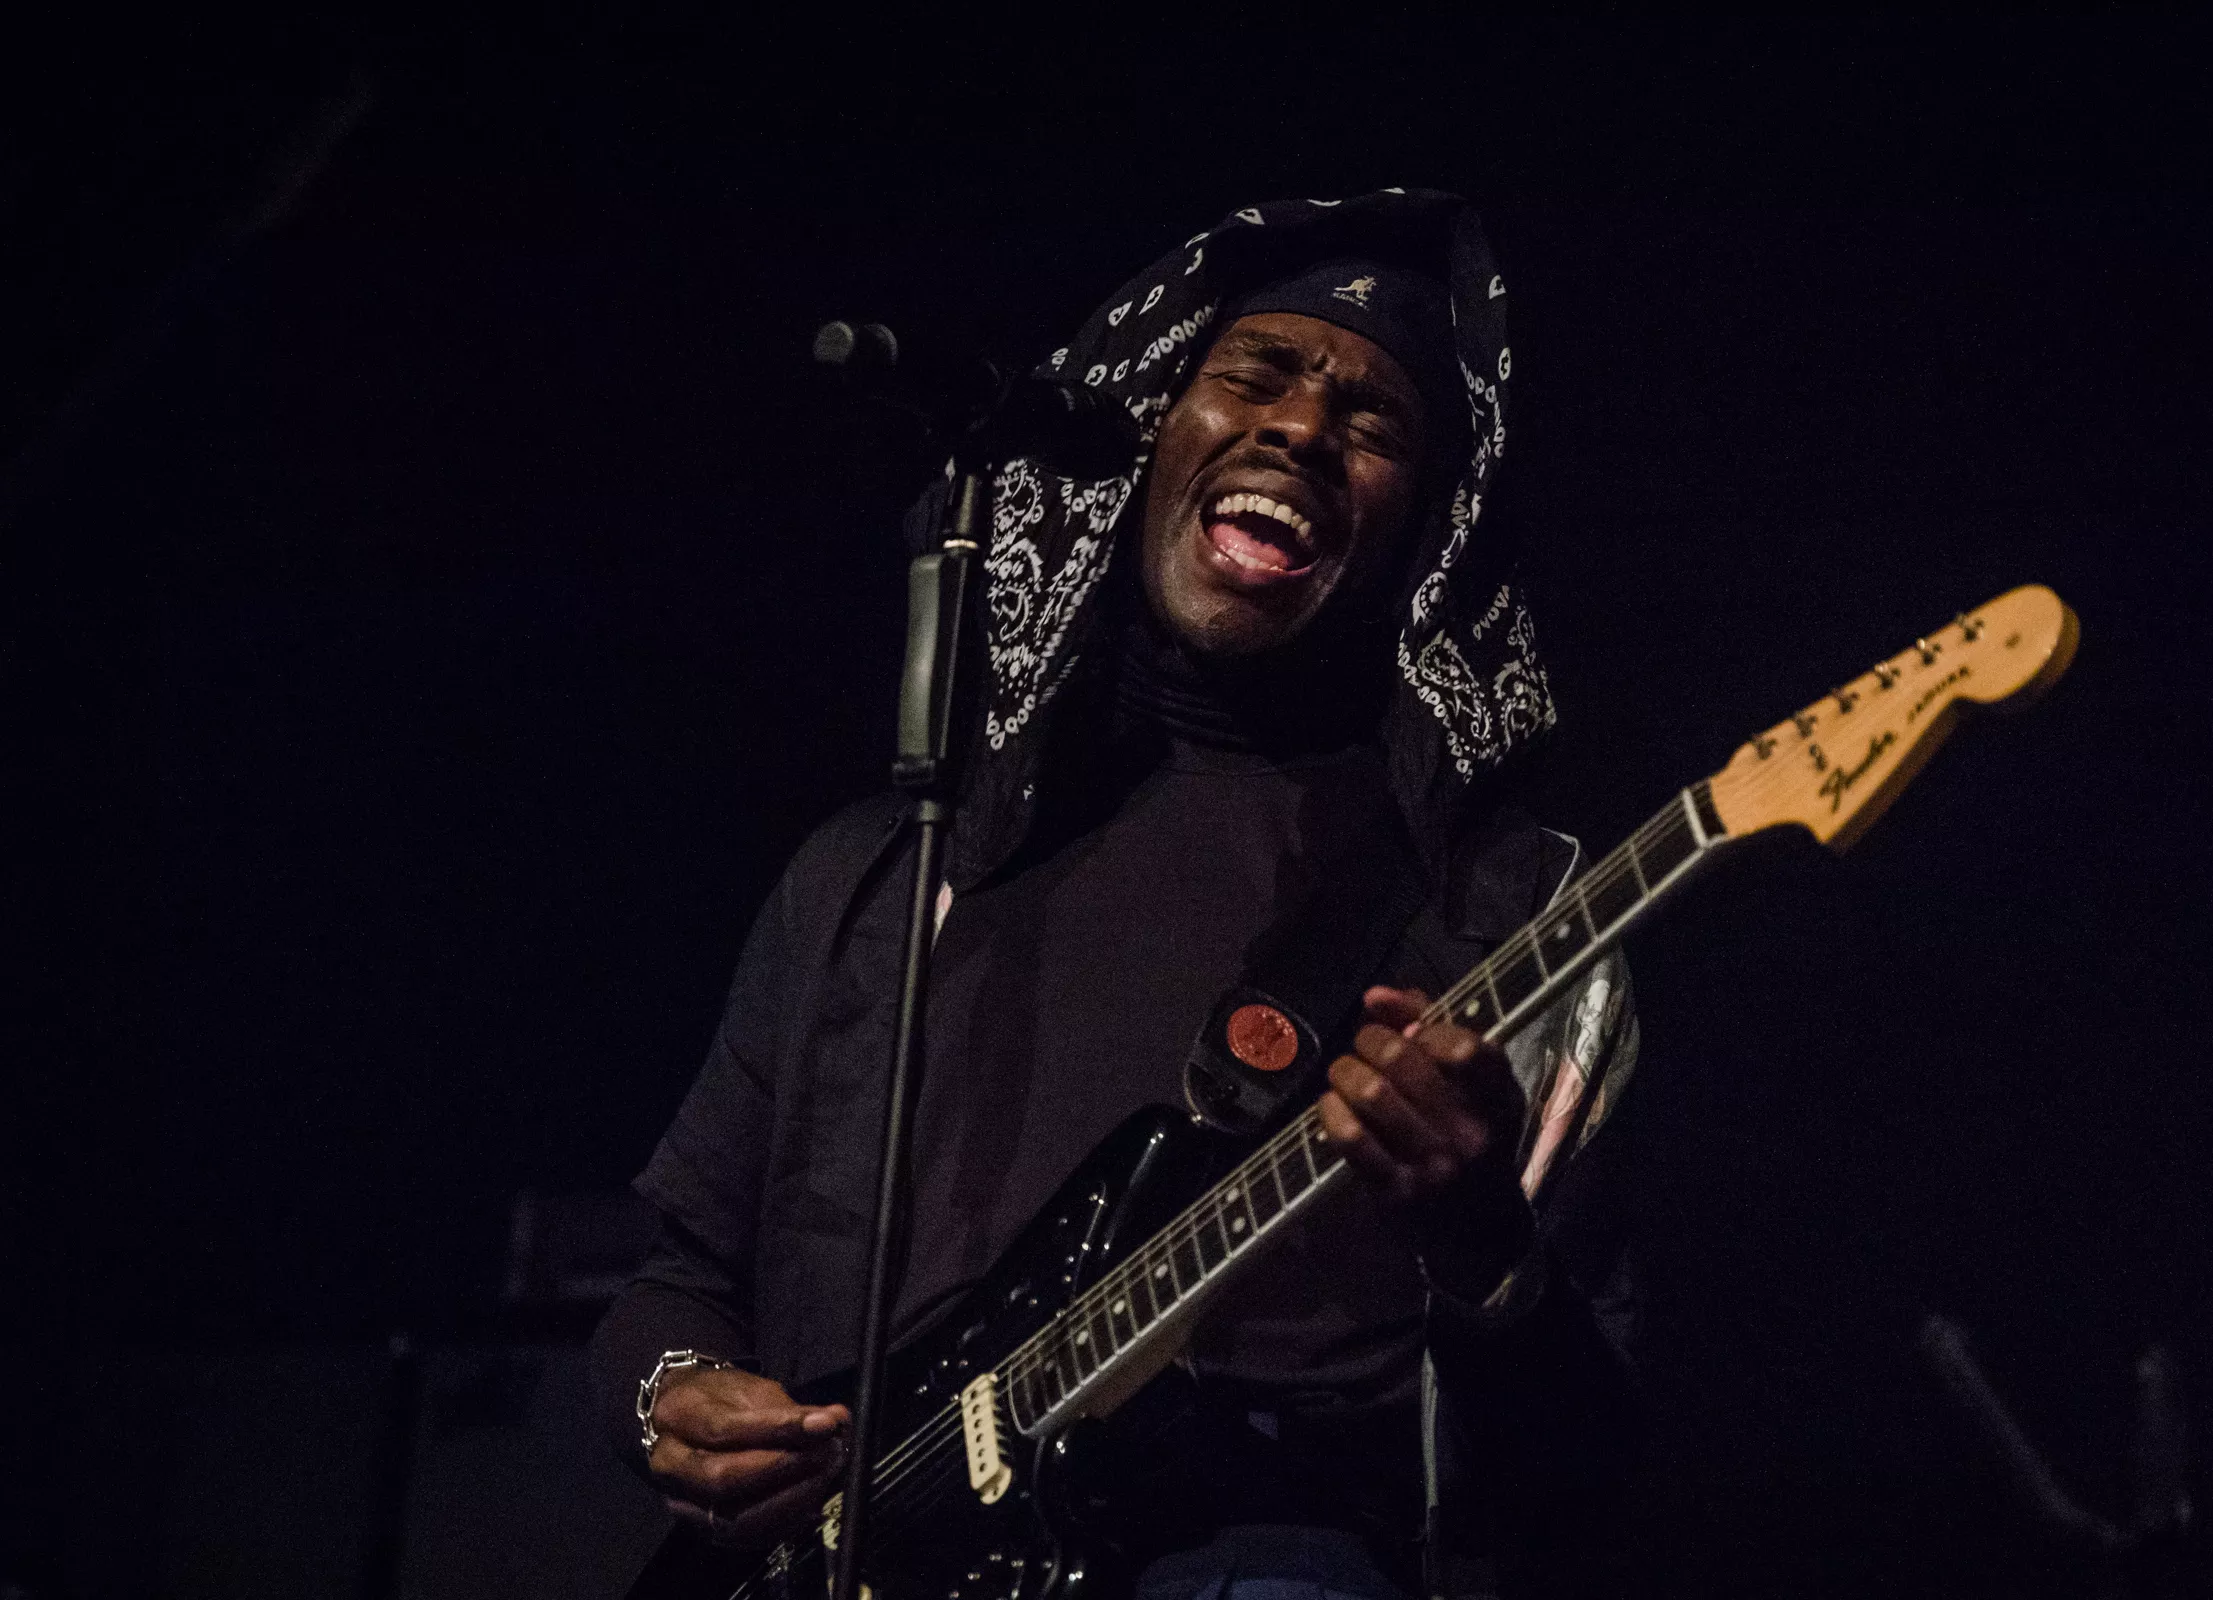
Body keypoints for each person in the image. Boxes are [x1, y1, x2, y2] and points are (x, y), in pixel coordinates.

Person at [591, 190, 1642, 1600]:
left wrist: (1478, 1240)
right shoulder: (890, 866)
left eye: (1373, 422)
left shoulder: (1507, 910)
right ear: (1148, 431)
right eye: (1255, 375)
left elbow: (1587, 1474)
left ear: (1429, 533)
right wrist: (670, 1394)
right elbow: (680, 1276)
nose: (1300, 428)